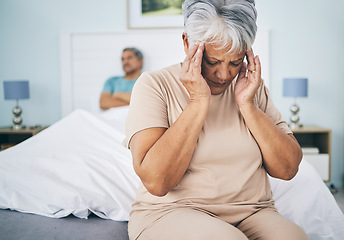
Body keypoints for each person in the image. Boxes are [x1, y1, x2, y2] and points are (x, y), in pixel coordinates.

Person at [124, 0, 308, 239]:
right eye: (212, 62)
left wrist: (248, 105)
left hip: (252, 211)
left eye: (235, 62)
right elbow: (157, 183)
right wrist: (199, 101)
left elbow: (288, 168)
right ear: (187, 43)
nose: (224, 75)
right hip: (171, 212)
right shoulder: (154, 85)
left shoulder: (251, 87)